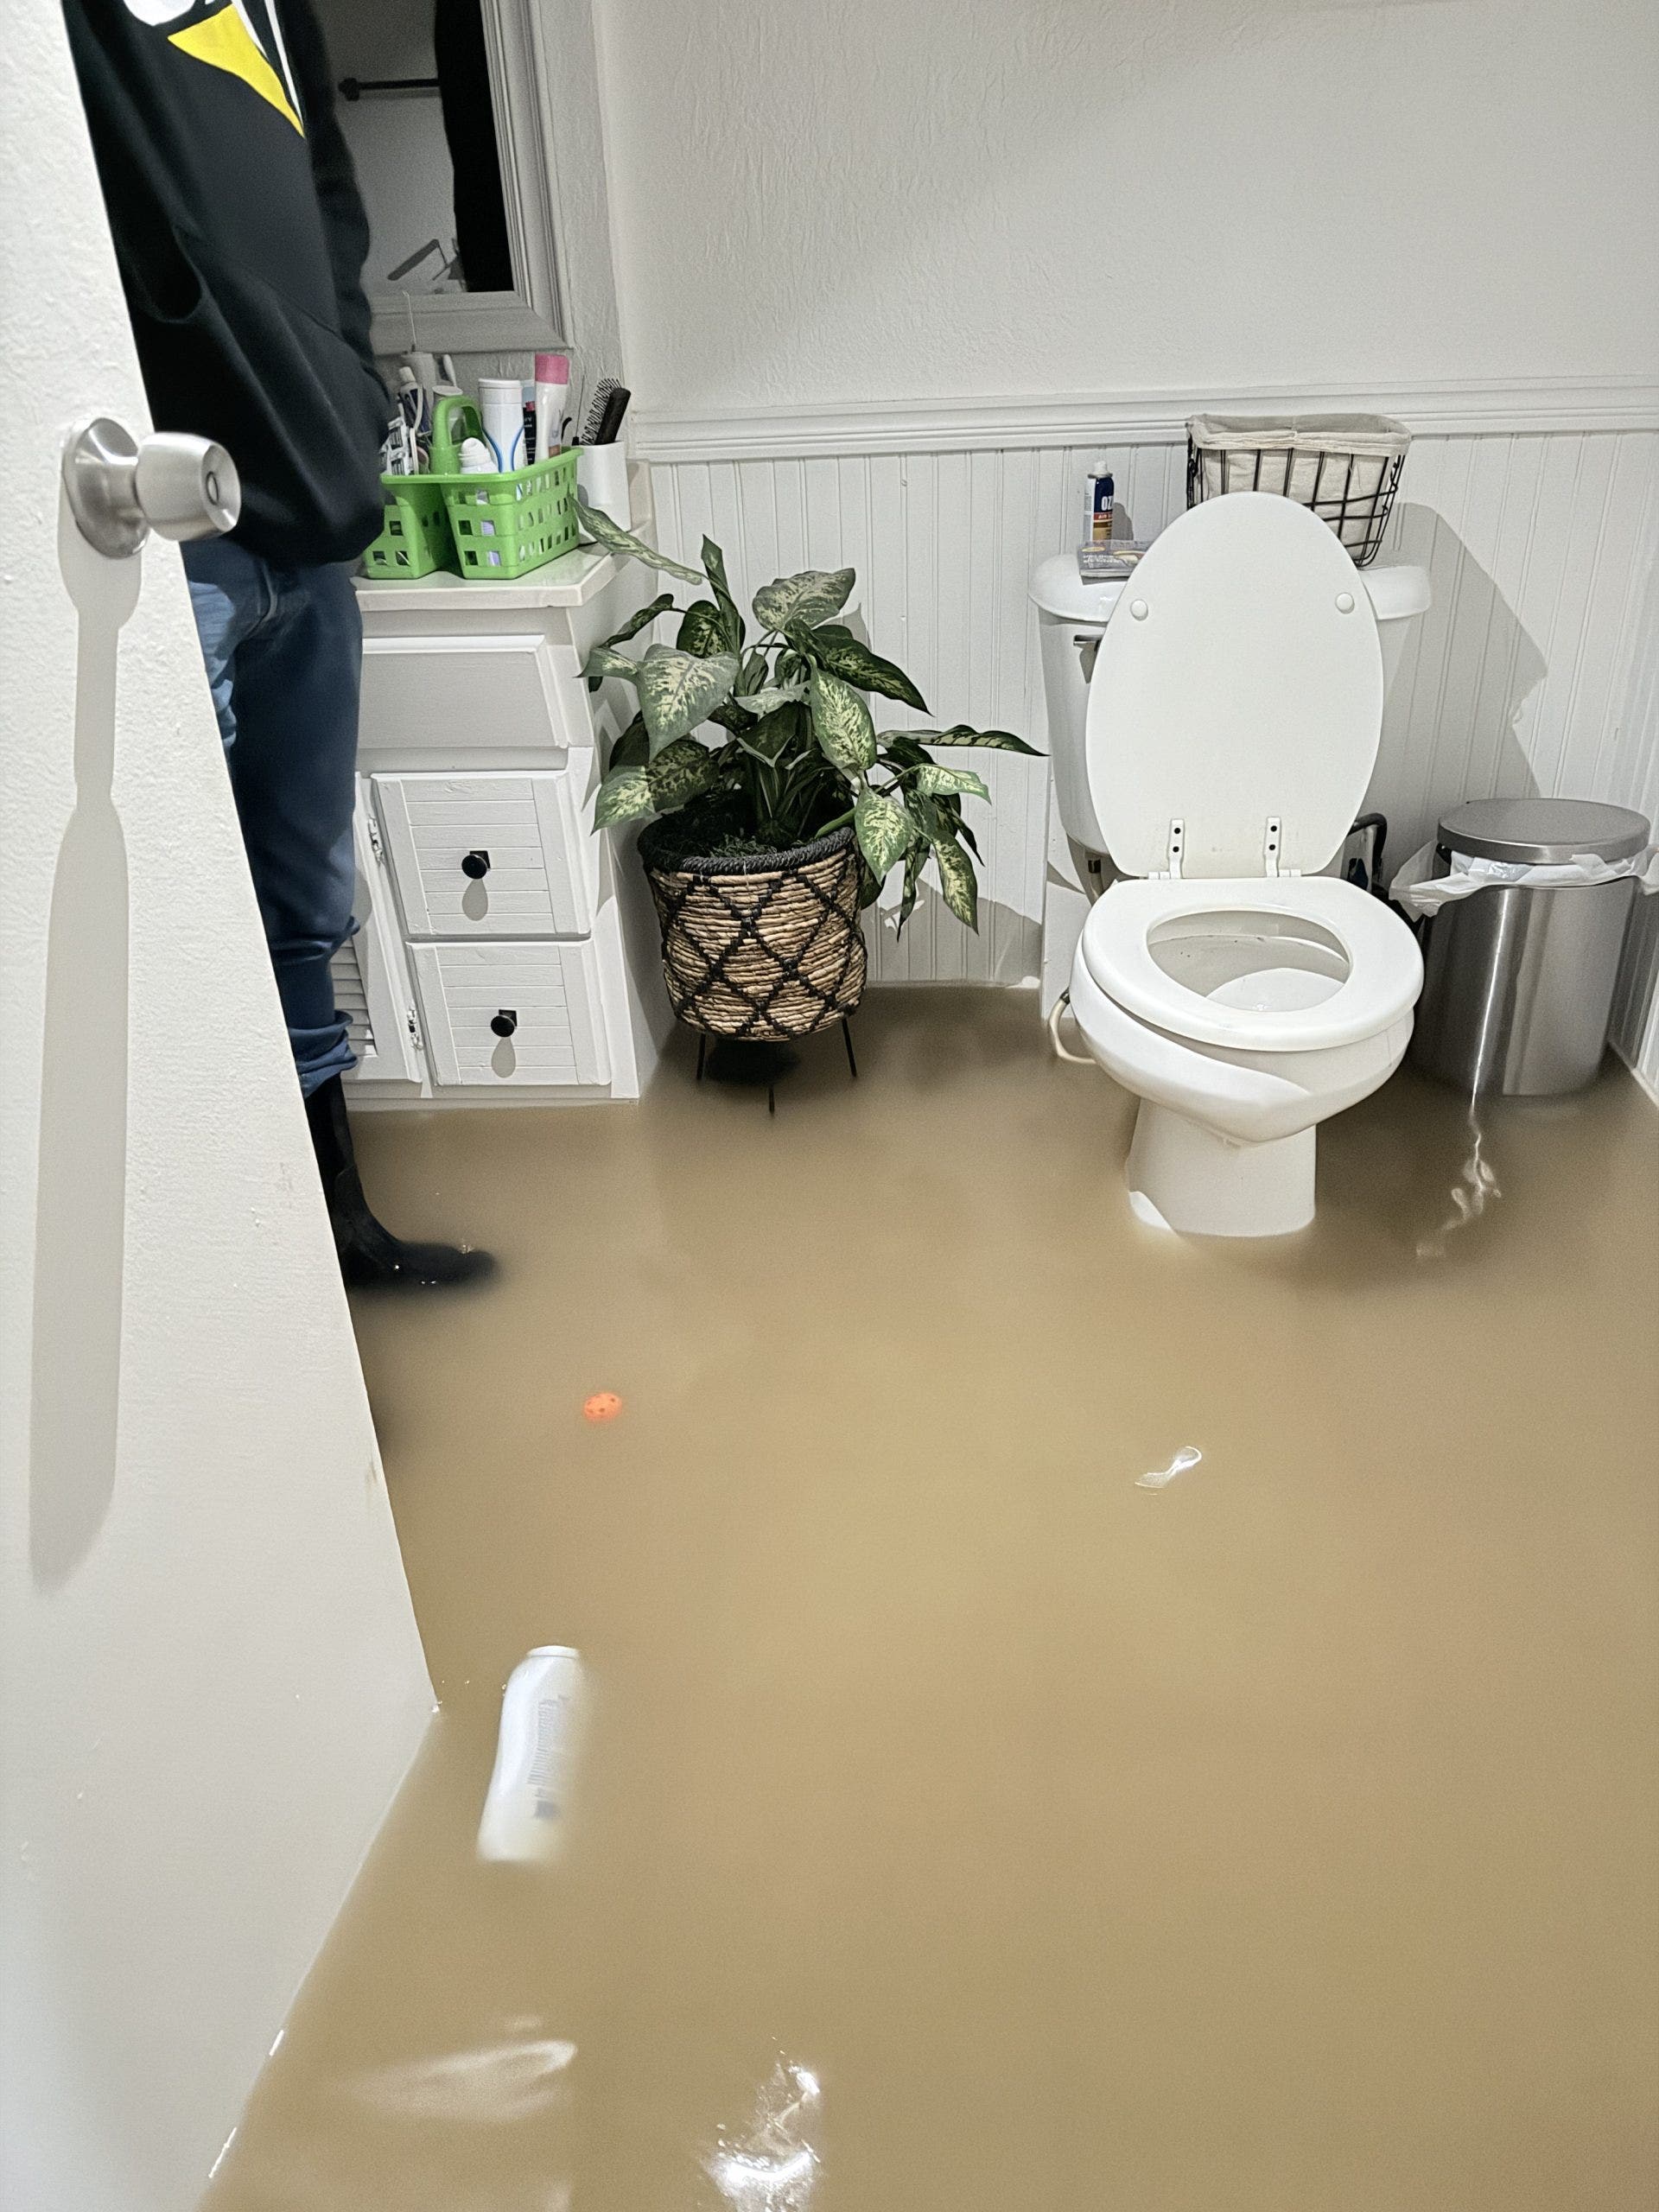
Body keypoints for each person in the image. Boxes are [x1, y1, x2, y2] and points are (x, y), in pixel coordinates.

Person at [62, 0, 492, 1289]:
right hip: (149, 520)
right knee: (183, 926)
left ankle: (336, 1237)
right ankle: (244, 1286)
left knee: (302, 910)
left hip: (307, 516)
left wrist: (351, 394)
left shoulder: (278, 11)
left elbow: (327, 209)